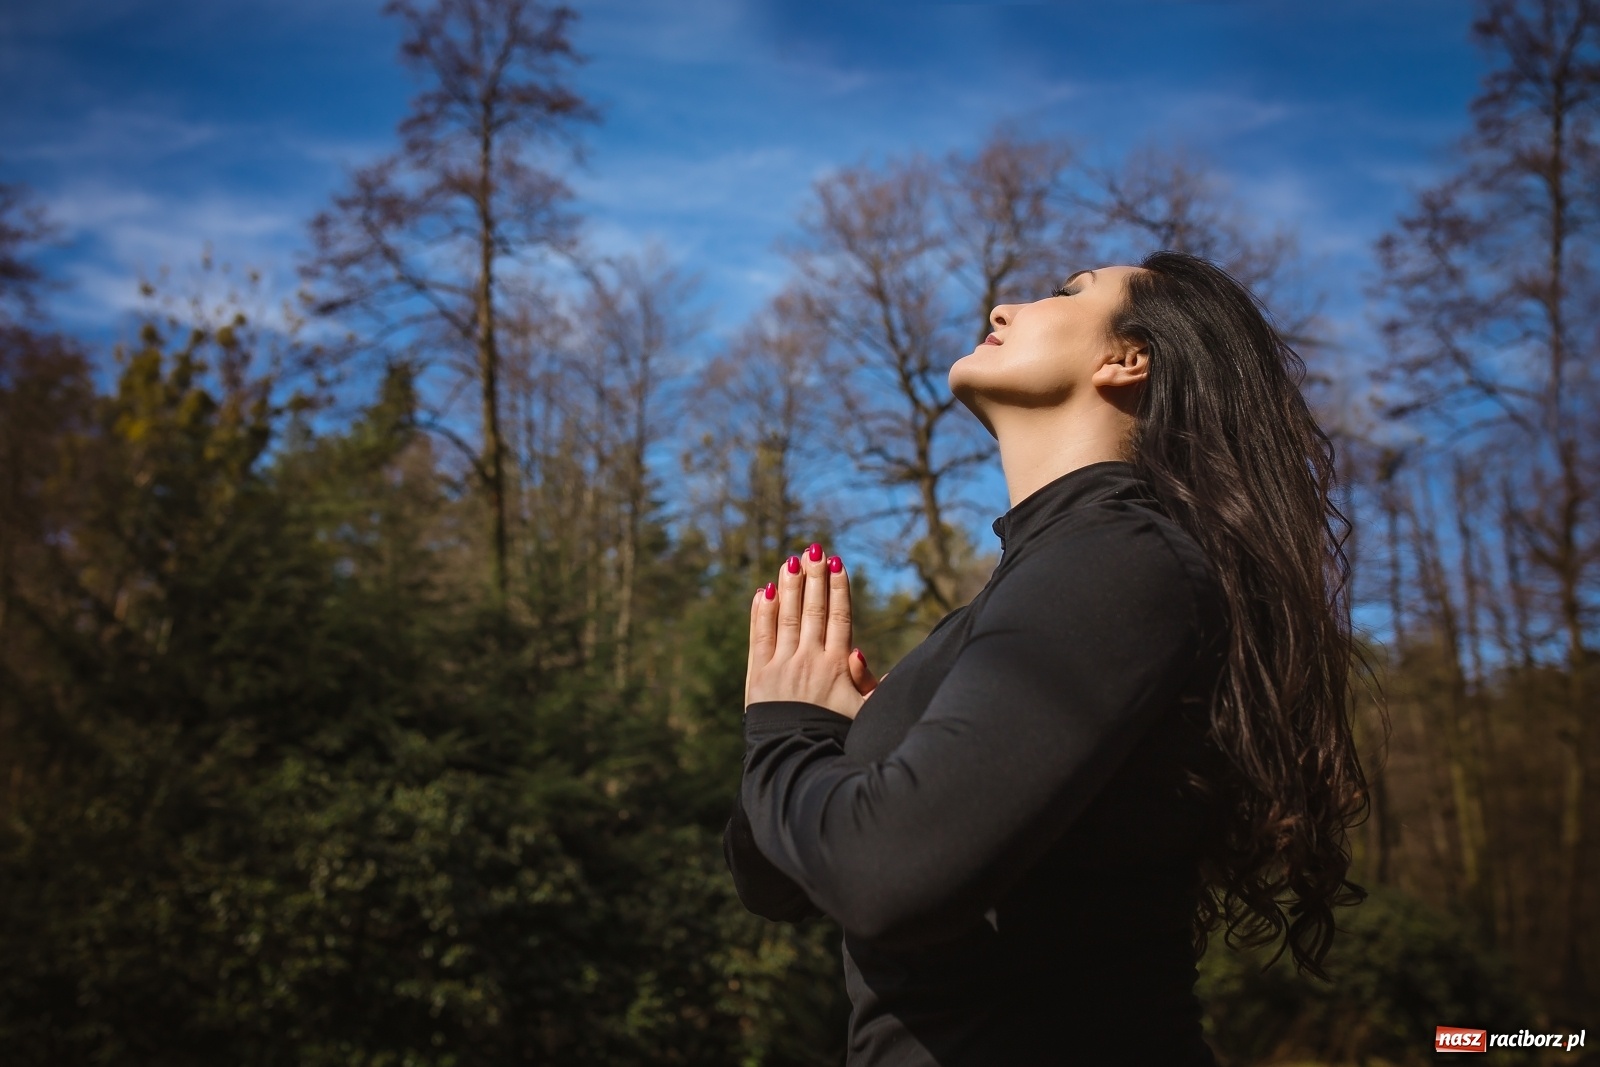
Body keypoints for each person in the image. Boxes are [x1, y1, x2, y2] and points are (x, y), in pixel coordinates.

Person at [723, 251, 1373, 1066]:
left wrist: (787, 736)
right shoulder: (1026, 596)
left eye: (1068, 294)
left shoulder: (1122, 562)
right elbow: (776, 883)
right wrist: (811, 732)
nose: (1001, 307)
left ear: (1127, 359)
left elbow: (884, 873)